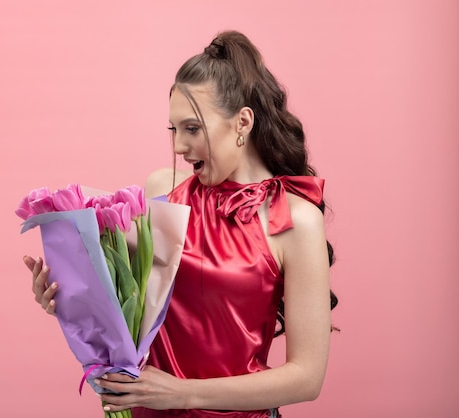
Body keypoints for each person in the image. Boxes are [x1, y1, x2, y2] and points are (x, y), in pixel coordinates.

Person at [23, 30, 338, 418]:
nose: (177, 147)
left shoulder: (295, 219)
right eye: (174, 130)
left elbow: (307, 377)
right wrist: (65, 298)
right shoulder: (164, 190)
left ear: (242, 122)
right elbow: (125, 302)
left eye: (192, 129)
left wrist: (181, 393)